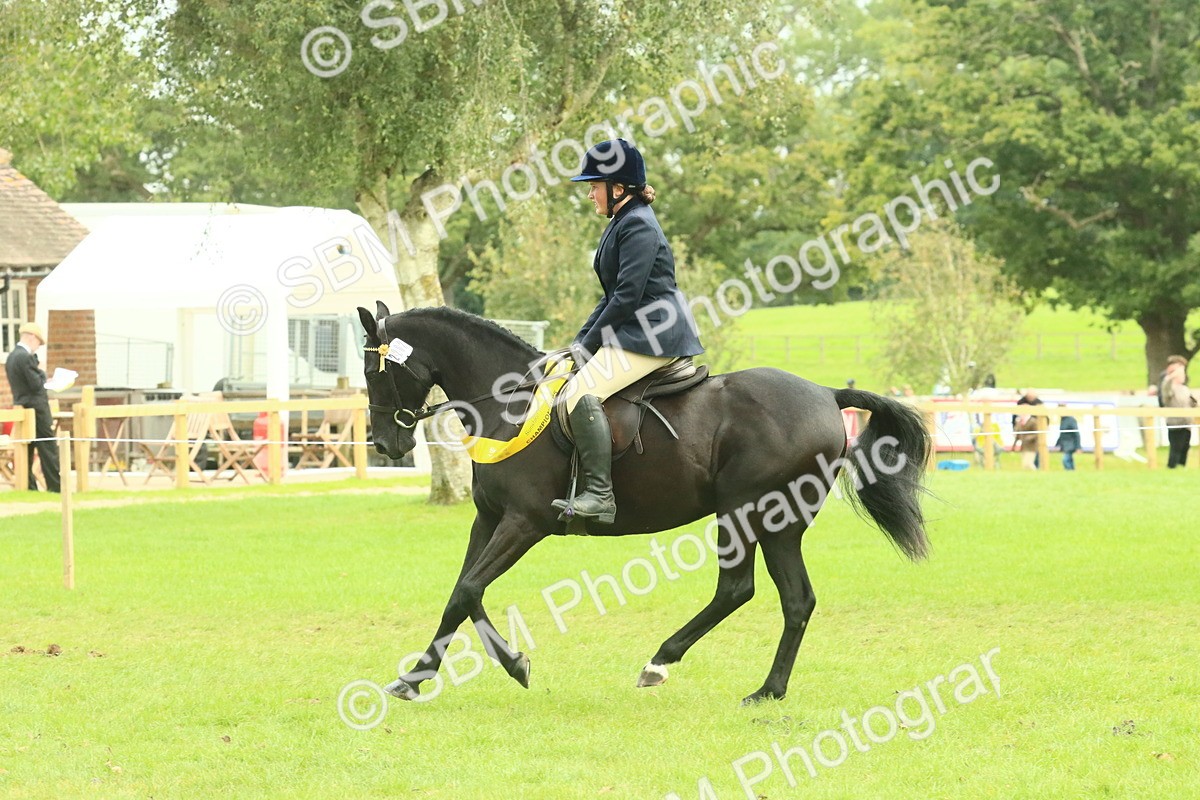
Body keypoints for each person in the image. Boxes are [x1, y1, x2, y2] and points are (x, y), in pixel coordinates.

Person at [552, 139, 704, 524]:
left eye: (594, 186)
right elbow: (610, 297)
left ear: (617, 188)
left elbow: (626, 297)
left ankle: (600, 495)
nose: (590, 194)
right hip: (637, 332)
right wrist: (579, 343)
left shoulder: (637, 225)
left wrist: (589, 346)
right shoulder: (623, 221)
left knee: (580, 394)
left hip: (654, 335)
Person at [4, 322, 60, 492]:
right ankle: (55, 486)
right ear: (32, 337)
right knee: (47, 448)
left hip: (22, 407)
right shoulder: (26, 357)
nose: (38, 347)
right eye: (38, 343)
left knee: (26, 450)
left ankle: (29, 486)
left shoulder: (11, 357)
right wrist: (42, 372)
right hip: (37, 409)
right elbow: (36, 385)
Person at [1160, 357, 1196, 468]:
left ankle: (1181, 466)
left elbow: (1192, 402)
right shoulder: (1169, 388)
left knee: (1185, 447)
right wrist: (1172, 375)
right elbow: (1166, 389)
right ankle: (1172, 467)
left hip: (1186, 423)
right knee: (1176, 447)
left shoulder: (1184, 389)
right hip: (1175, 423)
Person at [1012, 389, 1044, 470]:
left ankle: (1037, 473)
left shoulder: (1033, 421)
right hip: (1024, 446)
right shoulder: (1019, 421)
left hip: (1032, 446)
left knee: (1028, 463)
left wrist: (1028, 438)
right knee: (1025, 464)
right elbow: (1018, 434)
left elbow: (1037, 433)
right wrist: (1014, 445)